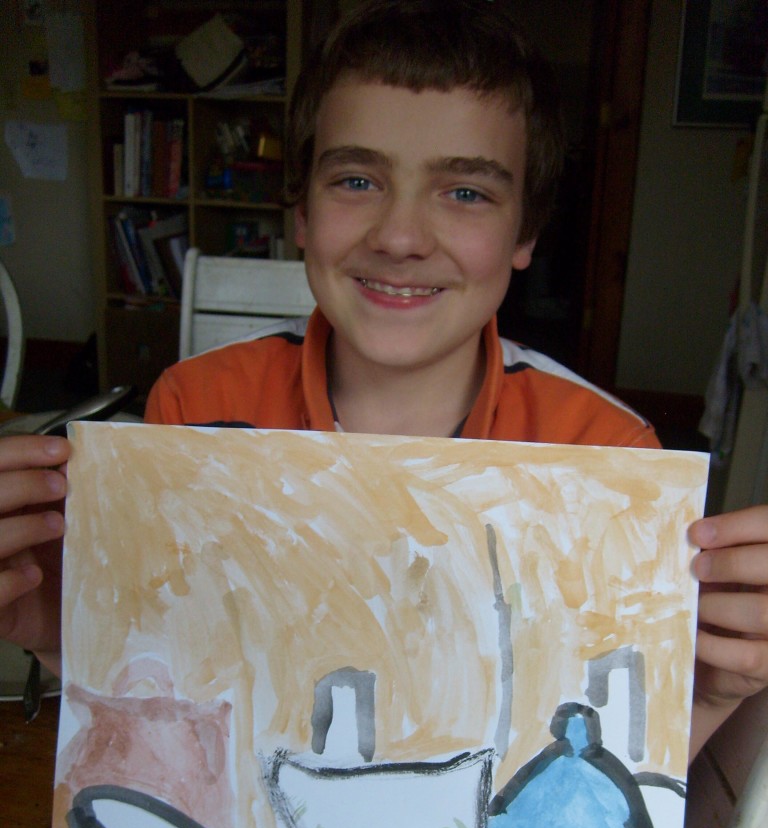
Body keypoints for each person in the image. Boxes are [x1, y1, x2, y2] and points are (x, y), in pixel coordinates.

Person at [1, 0, 766, 762]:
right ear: (300, 210)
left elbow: (608, 781)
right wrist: (63, 635)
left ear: (525, 231)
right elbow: (175, 702)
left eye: (465, 192)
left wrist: (703, 695)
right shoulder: (195, 409)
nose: (401, 237)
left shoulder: (606, 456)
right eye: (357, 180)